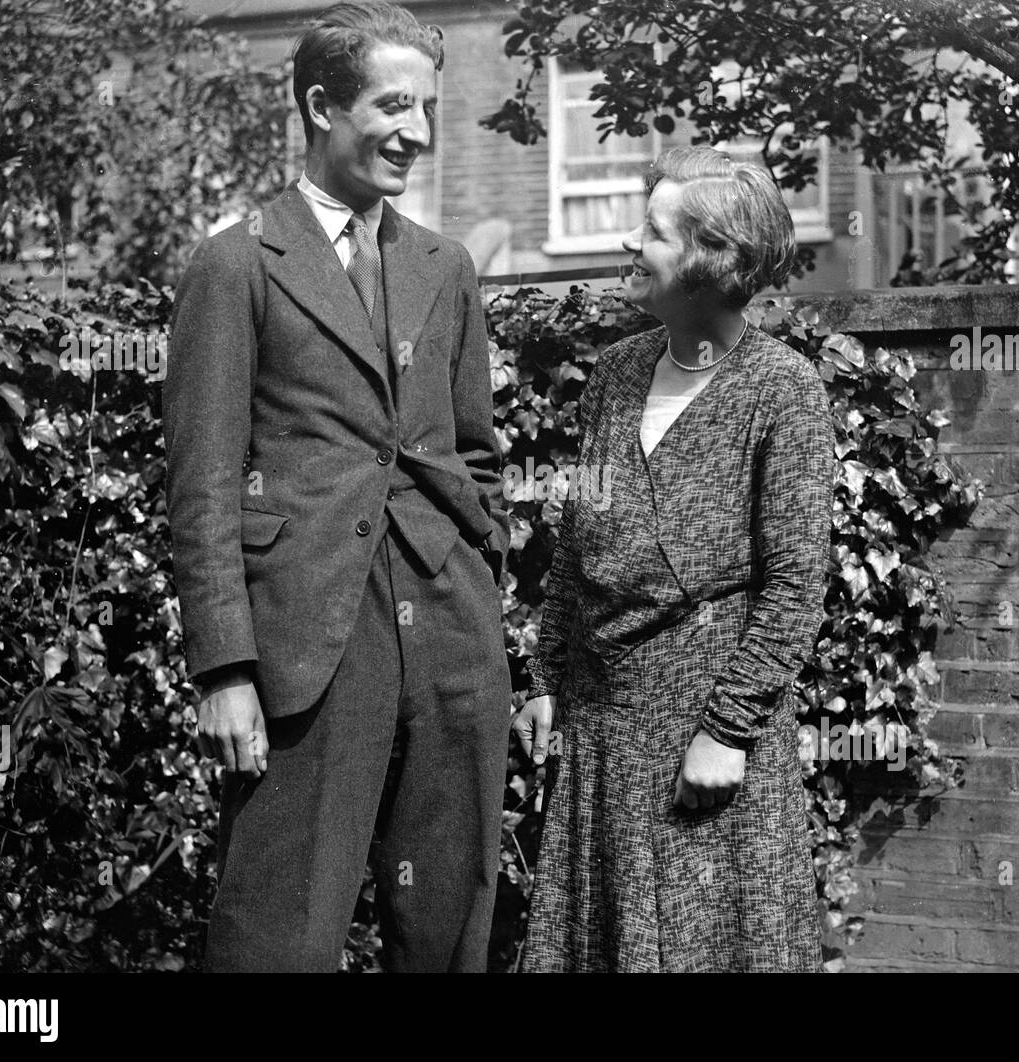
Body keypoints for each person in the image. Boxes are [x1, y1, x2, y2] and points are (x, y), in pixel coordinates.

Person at [162, 1, 511, 972]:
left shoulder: (444, 269)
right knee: (278, 939)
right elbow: (201, 486)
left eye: (429, 108)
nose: (421, 134)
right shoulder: (237, 263)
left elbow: (471, 454)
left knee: (447, 932)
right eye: (395, 106)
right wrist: (224, 666)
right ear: (322, 105)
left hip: (451, 638)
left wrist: (480, 580)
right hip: (306, 646)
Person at [513, 145, 833, 972]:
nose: (631, 243)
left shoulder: (783, 389)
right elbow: (576, 548)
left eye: (654, 231)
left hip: (707, 733)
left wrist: (726, 733)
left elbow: (796, 583)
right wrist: (549, 675)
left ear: (711, 258)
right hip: (603, 725)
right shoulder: (616, 375)